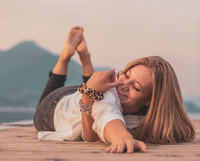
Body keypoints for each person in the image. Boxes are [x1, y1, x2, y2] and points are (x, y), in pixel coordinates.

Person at [34, 26, 195, 153]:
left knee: (96, 90)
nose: (123, 84)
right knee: (101, 92)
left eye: (136, 87)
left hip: (81, 94)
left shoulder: (153, 118)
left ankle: (85, 60)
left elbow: (92, 133)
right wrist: (122, 137)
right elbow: (103, 118)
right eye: (126, 74)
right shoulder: (110, 94)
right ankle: (65, 57)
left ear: (150, 101)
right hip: (53, 107)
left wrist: (89, 94)